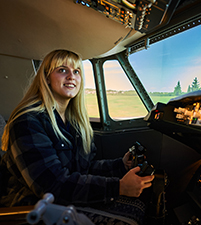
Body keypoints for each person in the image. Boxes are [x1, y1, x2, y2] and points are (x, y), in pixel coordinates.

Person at [0, 49, 154, 224]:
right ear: (46, 78)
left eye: (76, 71)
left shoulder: (75, 122)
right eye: (62, 70)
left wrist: (120, 165)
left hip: (62, 198)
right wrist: (118, 187)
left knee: (139, 205)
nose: (71, 76)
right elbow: (51, 185)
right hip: (33, 207)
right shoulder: (27, 121)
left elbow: (84, 167)